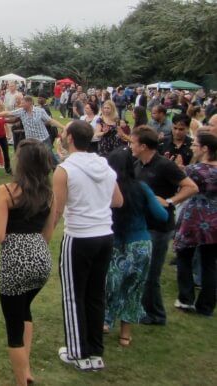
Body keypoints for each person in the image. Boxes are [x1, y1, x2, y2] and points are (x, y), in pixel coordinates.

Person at [52, 121, 123, 372]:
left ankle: (77, 352)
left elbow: (57, 209)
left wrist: (45, 236)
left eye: (63, 133)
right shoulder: (104, 165)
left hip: (79, 236)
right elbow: (117, 200)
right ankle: (95, 350)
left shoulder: (64, 169)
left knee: (73, 296)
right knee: (95, 294)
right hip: (105, 235)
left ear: (70, 138)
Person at [0, 139, 54, 386]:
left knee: (13, 328)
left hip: (15, 262)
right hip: (41, 258)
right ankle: (26, 369)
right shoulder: (49, 194)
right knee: (25, 309)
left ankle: (21, 381)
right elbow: (48, 233)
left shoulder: (6, 191)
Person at [131, 126, 198, 325]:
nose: (130, 146)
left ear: (143, 146)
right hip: (143, 225)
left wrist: (170, 201)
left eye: (133, 143)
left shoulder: (164, 165)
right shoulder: (138, 165)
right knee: (142, 270)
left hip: (160, 227)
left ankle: (156, 314)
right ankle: (144, 309)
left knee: (152, 273)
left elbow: (191, 187)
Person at [103, 149, 167, 347]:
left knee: (108, 285)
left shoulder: (106, 189)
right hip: (140, 244)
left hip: (114, 244)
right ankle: (125, 334)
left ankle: (104, 322)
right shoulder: (142, 188)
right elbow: (161, 216)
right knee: (133, 288)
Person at [173, 133, 217, 316]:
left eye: (196, 145)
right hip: (215, 218)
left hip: (194, 216)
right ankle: (206, 305)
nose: (193, 147)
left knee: (184, 255)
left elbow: (180, 185)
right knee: (210, 263)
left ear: (205, 148)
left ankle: (186, 299)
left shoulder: (194, 170)